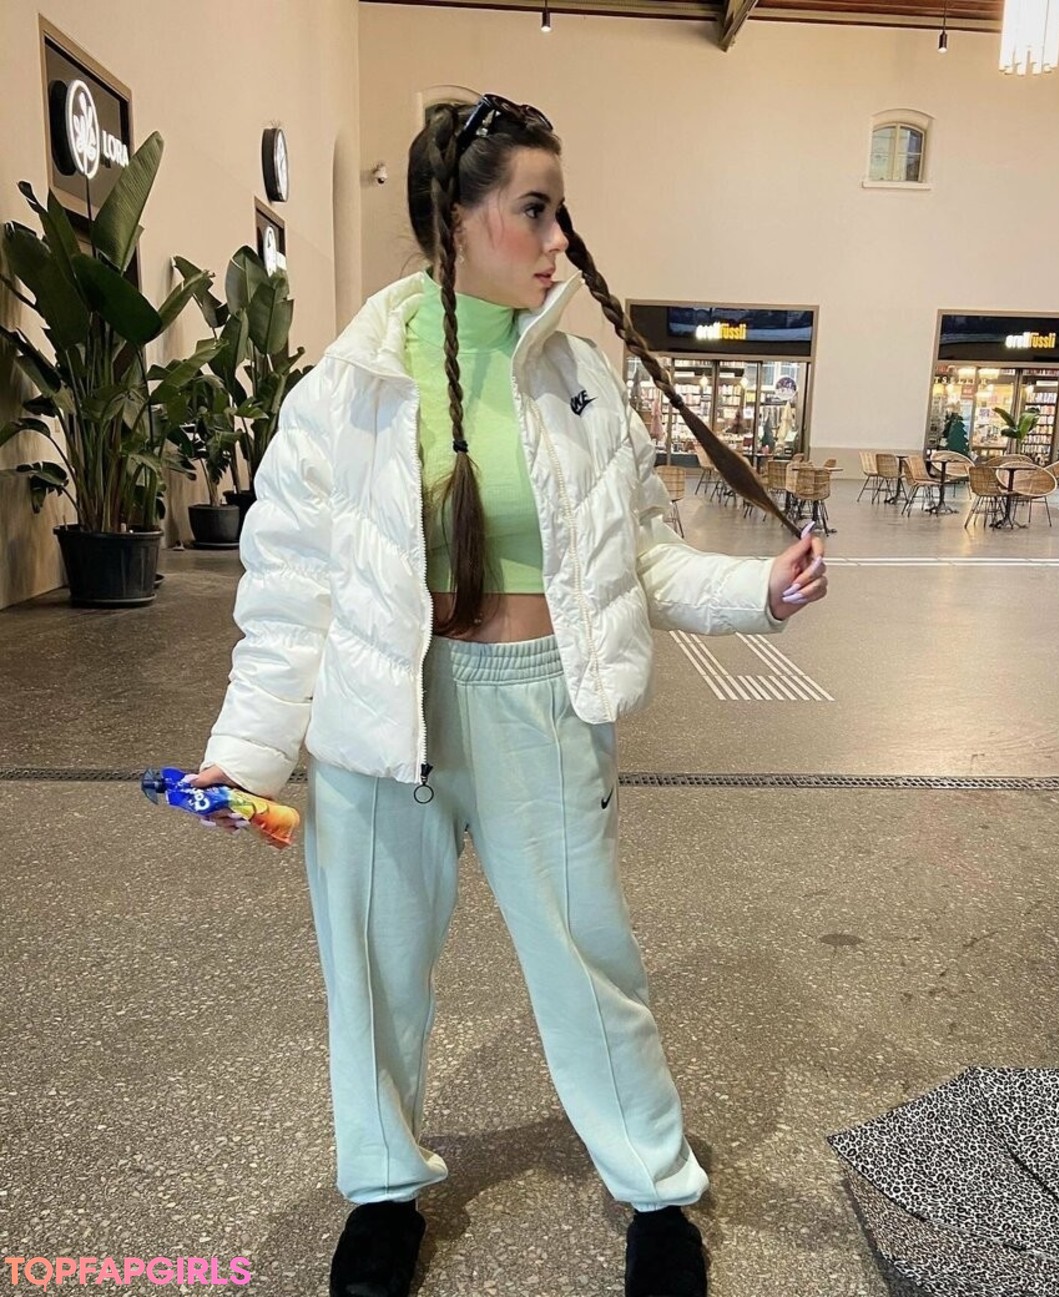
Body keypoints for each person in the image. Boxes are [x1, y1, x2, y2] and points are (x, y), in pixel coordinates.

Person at [191, 92, 827, 1297]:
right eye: (533, 210)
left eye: (559, 210)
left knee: (589, 962)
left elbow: (639, 562)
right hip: (381, 720)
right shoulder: (347, 387)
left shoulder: (580, 381)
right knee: (374, 969)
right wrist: (248, 751)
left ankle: (656, 1190)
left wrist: (760, 591)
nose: (556, 239)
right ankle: (383, 1190)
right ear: (455, 217)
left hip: (541, 703)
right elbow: (290, 590)